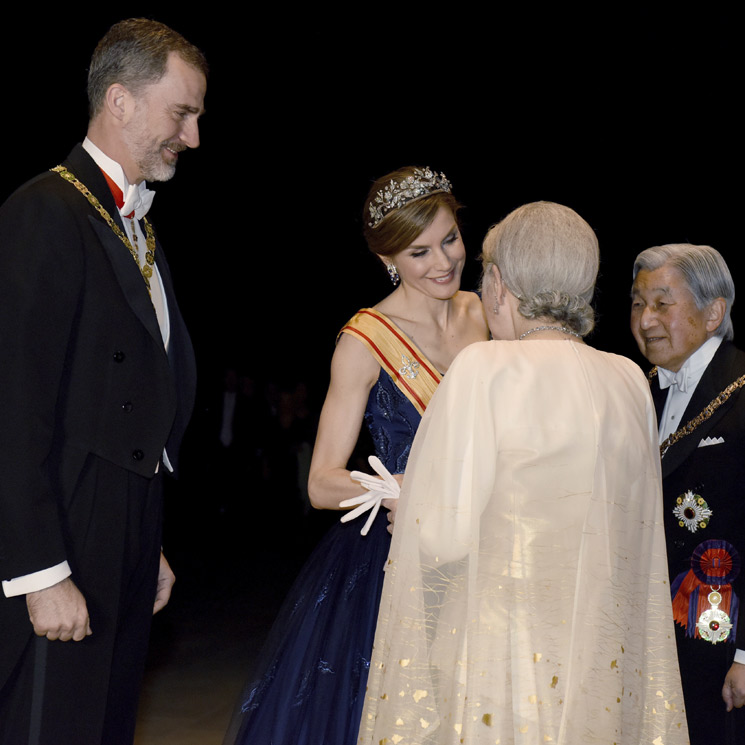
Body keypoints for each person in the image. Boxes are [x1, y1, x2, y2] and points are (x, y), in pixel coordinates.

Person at [358, 202, 688, 744]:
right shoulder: (629, 378)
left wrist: (409, 502)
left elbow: (443, 534)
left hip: (500, 654)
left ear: (501, 284)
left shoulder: (486, 369)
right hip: (600, 650)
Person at [224, 166, 488, 744]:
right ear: (389, 259)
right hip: (394, 563)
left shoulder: (487, 313)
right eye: (419, 252)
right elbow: (321, 483)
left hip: (483, 547)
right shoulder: (365, 339)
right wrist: (403, 490)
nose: (443, 262)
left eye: (450, 239)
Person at [0, 18, 205, 745]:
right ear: (119, 101)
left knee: (106, 725)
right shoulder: (43, 212)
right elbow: (14, 408)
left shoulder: (137, 224)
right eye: (182, 112)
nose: (193, 135)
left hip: (123, 518)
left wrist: (141, 537)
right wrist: (38, 570)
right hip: (63, 526)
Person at [630, 243, 745, 744]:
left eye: (662, 302)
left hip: (722, 647)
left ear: (713, 311)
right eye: (637, 304)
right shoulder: (636, 391)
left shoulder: (741, 390)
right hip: (650, 639)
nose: (646, 319)